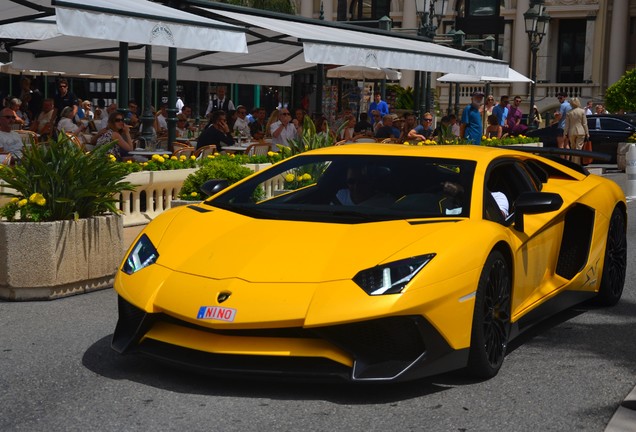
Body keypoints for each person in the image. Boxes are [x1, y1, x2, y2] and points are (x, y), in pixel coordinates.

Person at [565, 97, 590, 165]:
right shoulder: (582, 111)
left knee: (573, 147)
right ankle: (577, 163)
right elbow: (584, 123)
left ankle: (573, 163)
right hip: (581, 131)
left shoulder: (569, 112)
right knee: (578, 148)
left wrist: (565, 133)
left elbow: (567, 124)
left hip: (571, 132)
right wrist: (587, 133)